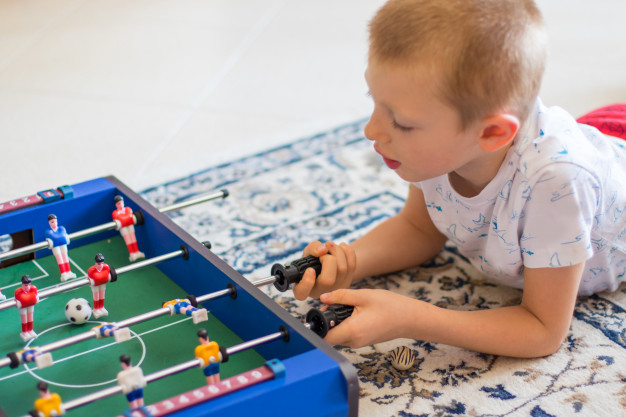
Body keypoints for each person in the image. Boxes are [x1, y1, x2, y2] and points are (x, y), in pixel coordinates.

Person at [294, 0, 626, 358]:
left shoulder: (557, 182)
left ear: (492, 133)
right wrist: (349, 262)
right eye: (373, 100)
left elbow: (542, 330)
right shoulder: (441, 153)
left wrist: (412, 318)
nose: (371, 130)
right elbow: (420, 229)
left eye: (402, 123)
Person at [112, 195, 145, 262]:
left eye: (121, 203)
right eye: (119, 203)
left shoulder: (128, 209)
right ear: (116, 205)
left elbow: (128, 217)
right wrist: (126, 220)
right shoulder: (115, 213)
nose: (121, 205)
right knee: (128, 239)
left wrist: (124, 220)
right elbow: (123, 218)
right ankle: (132, 253)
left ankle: (137, 251)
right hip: (123, 228)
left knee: (133, 237)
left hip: (129, 225)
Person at [44, 214, 76, 281]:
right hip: (56, 246)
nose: (54, 223)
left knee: (65, 257)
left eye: (55, 221)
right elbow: (55, 237)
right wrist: (60, 238)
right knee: (59, 258)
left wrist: (61, 238)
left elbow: (62, 236)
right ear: (49, 223)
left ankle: (69, 271)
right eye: (52, 222)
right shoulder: (48, 232)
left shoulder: (61, 228)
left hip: (62, 244)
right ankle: (63, 273)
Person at [15, 275, 39, 341]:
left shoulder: (33, 288)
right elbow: (16, 299)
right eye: (25, 285)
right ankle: (24, 332)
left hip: (30, 305)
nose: (27, 287)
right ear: (22, 284)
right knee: (24, 319)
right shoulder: (18, 291)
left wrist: (36, 298)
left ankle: (30, 330)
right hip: (23, 307)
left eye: (29, 284)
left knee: (30, 317)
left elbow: (36, 295)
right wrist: (18, 302)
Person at [87, 253, 111, 318]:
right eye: (99, 264)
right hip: (95, 285)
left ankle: (101, 307)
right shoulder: (91, 270)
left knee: (102, 295)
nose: (101, 265)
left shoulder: (106, 267)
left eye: (102, 263)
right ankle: (96, 309)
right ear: (95, 263)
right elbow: (89, 279)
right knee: (96, 296)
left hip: (103, 283)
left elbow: (108, 275)